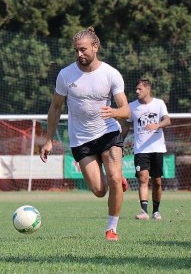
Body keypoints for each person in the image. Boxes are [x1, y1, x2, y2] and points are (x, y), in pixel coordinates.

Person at [40, 27, 130, 241]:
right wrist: (49, 140)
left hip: (108, 133)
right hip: (81, 140)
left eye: (83, 50)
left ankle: (112, 229)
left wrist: (115, 112)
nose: (79, 54)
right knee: (100, 191)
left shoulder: (110, 74)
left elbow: (126, 110)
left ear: (95, 47)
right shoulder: (66, 74)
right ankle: (114, 179)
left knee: (115, 179)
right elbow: (55, 107)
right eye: (76, 51)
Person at [121, 78, 171, 220]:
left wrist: (158, 125)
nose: (137, 91)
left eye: (140, 89)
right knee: (143, 179)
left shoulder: (159, 104)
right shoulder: (132, 106)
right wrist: (119, 141)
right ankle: (143, 212)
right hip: (141, 150)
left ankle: (156, 211)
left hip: (157, 149)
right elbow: (126, 126)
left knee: (157, 181)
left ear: (148, 90)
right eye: (136, 89)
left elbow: (167, 120)